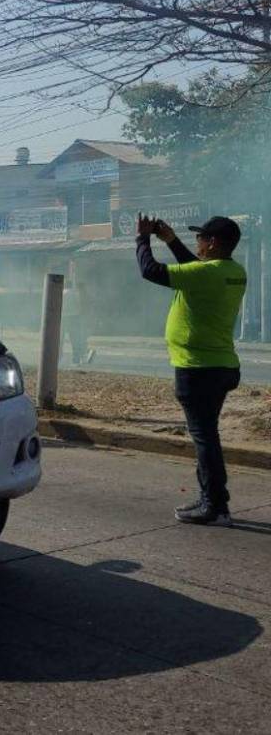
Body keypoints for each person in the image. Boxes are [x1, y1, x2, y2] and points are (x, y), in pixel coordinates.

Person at [137, 214, 247, 526]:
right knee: (208, 435)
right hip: (222, 366)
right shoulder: (233, 270)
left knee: (205, 438)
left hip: (197, 369)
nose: (197, 242)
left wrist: (142, 238)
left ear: (212, 243)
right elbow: (194, 270)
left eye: (201, 238)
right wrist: (171, 240)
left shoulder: (206, 273)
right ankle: (212, 499)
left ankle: (215, 505)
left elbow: (150, 270)